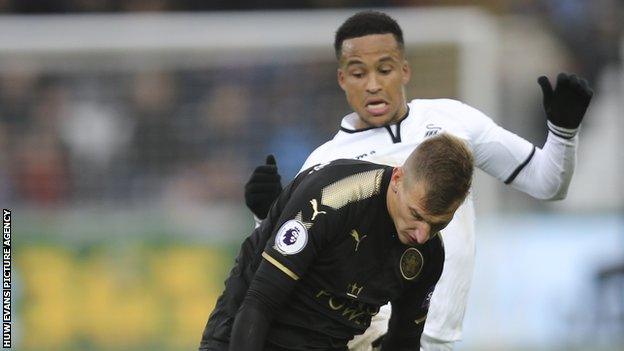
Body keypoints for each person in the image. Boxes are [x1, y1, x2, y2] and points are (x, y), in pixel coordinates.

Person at [242, 10, 593, 351]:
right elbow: (283, 262)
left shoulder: (455, 120)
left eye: (384, 69)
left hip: (437, 341)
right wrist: (265, 216)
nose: (374, 85)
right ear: (342, 79)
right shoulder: (325, 162)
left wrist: (562, 133)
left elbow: (547, 184)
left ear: (404, 70)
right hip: (362, 339)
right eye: (358, 73)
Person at [200, 133, 475, 350]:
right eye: (416, 215)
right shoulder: (331, 198)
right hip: (241, 335)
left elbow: (403, 343)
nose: (422, 235)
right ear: (398, 178)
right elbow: (259, 303)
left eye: (439, 223)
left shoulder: (428, 255)